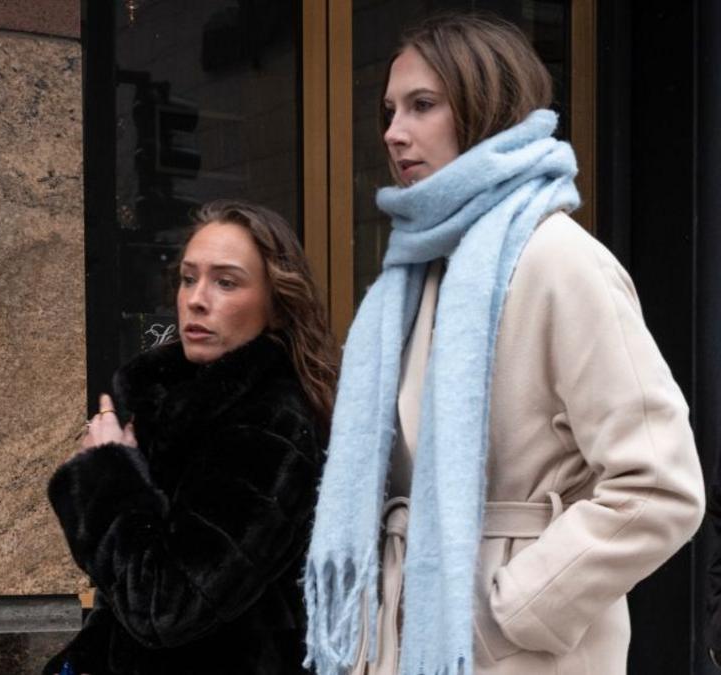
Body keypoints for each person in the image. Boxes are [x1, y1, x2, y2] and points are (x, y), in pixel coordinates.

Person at [302, 13, 705, 675]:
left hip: (515, 653)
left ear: (486, 106)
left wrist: (513, 609)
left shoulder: (560, 262)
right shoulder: (411, 280)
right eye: (389, 111)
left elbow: (660, 484)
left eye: (422, 105)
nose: (395, 133)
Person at [44, 200, 338, 674]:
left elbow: (164, 607)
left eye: (226, 282)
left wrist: (108, 477)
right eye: (188, 278)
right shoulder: (177, 410)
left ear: (278, 307)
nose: (197, 299)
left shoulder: (268, 428)